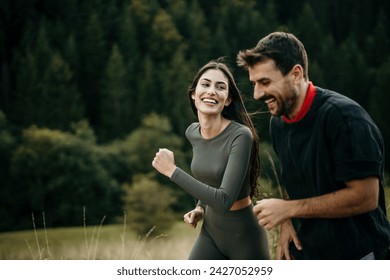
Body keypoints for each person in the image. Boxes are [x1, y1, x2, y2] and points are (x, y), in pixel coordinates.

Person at [236, 31, 390, 260]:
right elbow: (294, 180)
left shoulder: (344, 118)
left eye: (265, 82)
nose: (257, 93)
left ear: (296, 74)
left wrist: (289, 209)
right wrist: (287, 220)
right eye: (254, 84)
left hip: (360, 256)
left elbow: (365, 196)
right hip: (310, 255)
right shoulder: (278, 122)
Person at [152, 60, 270, 260]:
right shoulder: (192, 132)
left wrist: (172, 171)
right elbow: (209, 176)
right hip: (211, 233)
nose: (211, 91)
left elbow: (224, 199)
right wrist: (200, 207)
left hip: (245, 237)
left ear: (228, 100)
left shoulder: (241, 135)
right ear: (193, 93)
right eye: (205, 84)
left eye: (220, 87)